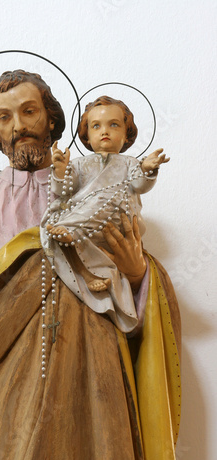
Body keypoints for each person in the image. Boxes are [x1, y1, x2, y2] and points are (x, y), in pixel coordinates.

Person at [0, 70, 181, 460]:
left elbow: (127, 282)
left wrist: (138, 273)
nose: (17, 126)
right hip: (1, 375)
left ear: (52, 119)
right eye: (4, 117)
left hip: (93, 371)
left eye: (28, 111)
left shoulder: (99, 188)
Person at [40, 96, 169, 332]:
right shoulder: (79, 164)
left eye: (114, 125)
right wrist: (59, 171)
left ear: (127, 134)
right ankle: (85, 274)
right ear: (86, 135)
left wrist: (149, 169)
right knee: (58, 222)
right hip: (87, 223)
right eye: (96, 126)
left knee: (87, 211)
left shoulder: (129, 163)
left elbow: (139, 184)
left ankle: (71, 230)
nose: (105, 132)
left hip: (118, 220)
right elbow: (65, 190)